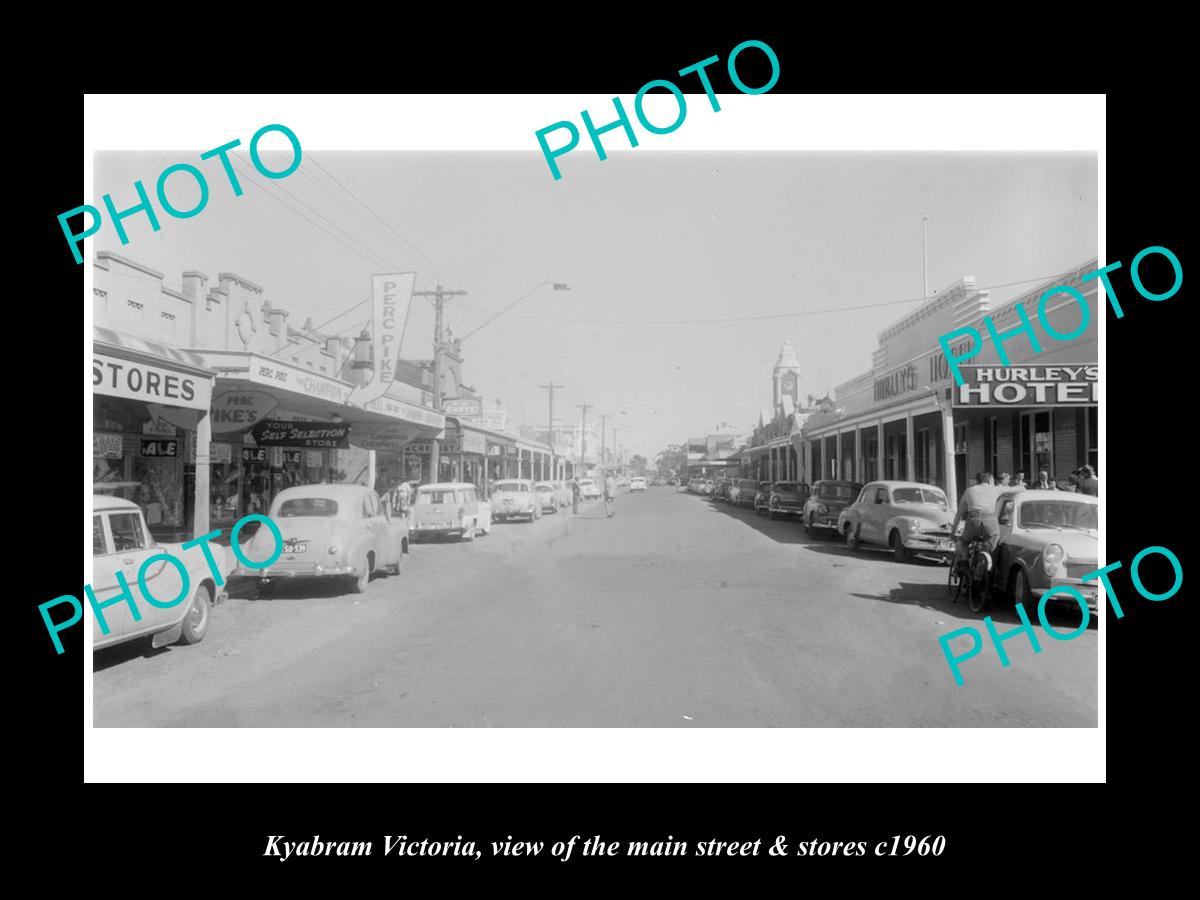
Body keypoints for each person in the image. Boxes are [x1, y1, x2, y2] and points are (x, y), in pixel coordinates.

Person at [950, 472, 1004, 599]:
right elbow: (1018, 488)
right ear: (990, 480)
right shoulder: (995, 489)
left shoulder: (969, 490)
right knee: (994, 538)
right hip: (990, 522)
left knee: (963, 542)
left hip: (973, 520)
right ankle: (981, 565)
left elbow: (959, 513)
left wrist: (953, 532)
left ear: (977, 481)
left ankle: (963, 562)